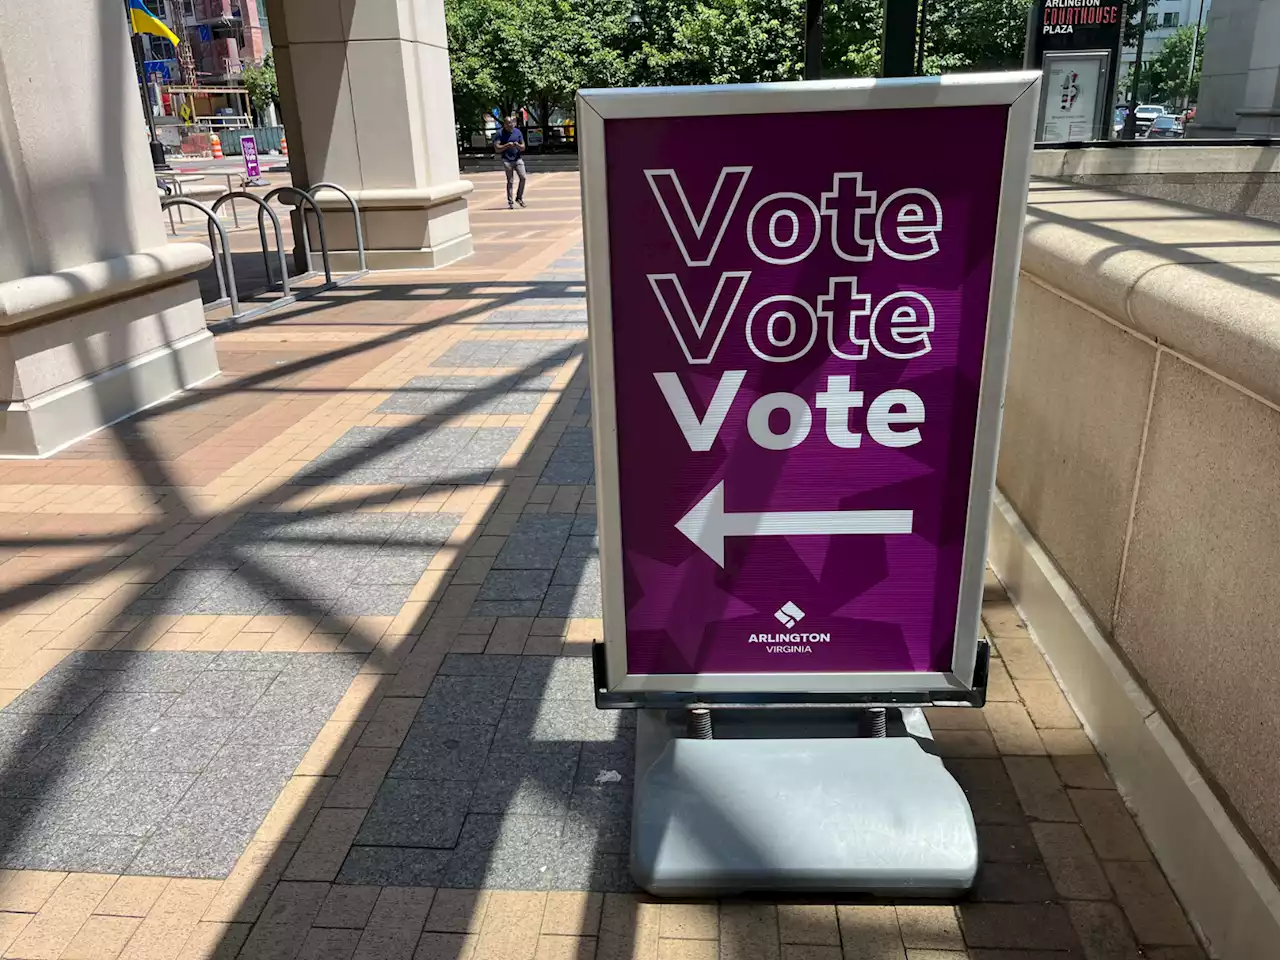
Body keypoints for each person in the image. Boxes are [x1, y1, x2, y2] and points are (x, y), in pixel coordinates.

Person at [494, 116, 527, 209]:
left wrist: (518, 145)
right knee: (510, 180)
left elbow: (523, 147)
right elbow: (497, 148)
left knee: (523, 177)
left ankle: (519, 197)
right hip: (507, 160)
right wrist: (507, 145)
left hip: (517, 158)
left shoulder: (517, 132)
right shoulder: (500, 133)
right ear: (504, 124)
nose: (510, 125)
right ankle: (510, 201)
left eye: (511, 123)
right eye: (508, 123)